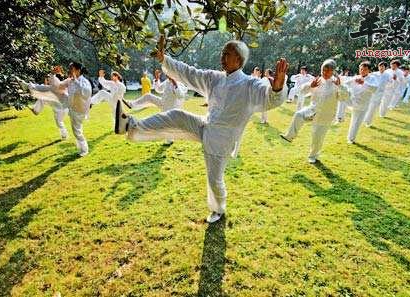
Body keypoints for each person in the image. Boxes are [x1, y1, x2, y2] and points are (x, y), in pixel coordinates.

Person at [114, 36, 288, 223]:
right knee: (176, 116)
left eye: (227, 54)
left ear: (239, 59)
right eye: (222, 53)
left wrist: (277, 88)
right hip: (206, 125)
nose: (222, 57)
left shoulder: (251, 84)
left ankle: (218, 210)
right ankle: (130, 125)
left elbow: (269, 97)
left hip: (223, 139)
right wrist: (165, 59)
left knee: (214, 179)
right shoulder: (215, 78)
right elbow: (189, 73)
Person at [280, 59, 350, 163]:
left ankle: (313, 156)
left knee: (317, 137)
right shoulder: (318, 80)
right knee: (299, 115)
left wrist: (340, 86)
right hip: (312, 110)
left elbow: (344, 98)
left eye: (327, 71)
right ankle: (289, 136)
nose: (325, 73)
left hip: (325, 115)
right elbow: (302, 91)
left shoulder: (337, 83)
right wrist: (310, 86)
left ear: (333, 71)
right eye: (323, 71)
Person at [123, 75, 188, 145]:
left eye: (169, 74)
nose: (167, 76)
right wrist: (157, 79)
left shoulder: (180, 83)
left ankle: (170, 140)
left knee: (168, 124)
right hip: (163, 102)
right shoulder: (167, 81)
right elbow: (159, 89)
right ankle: (131, 104)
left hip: (172, 108)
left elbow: (180, 95)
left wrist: (175, 83)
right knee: (148, 96)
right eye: (166, 74)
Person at [22, 66, 69, 139]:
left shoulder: (65, 84)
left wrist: (53, 74)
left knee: (59, 121)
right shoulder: (65, 84)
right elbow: (54, 84)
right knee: (44, 96)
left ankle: (29, 88)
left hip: (61, 106)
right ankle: (64, 135)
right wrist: (53, 74)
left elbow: (54, 83)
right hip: (60, 104)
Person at [60, 62, 92, 156]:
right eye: (69, 69)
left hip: (80, 110)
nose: (70, 70)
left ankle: (84, 150)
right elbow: (58, 86)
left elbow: (86, 93)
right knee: (77, 130)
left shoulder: (84, 82)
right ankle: (81, 148)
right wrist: (55, 75)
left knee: (77, 131)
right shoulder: (70, 81)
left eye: (72, 69)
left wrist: (76, 81)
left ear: (78, 70)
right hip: (72, 108)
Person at [343, 61, 379, 144]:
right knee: (354, 120)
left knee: (357, 122)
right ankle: (350, 138)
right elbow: (345, 84)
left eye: (365, 69)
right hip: (353, 102)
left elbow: (374, 89)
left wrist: (364, 83)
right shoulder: (355, 77)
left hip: (364, 104)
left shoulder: (372, 79)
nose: (362, 71)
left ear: (369, 70)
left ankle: (351, 138)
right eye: (361, 69)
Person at [363, 61, 393, 127]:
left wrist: (386, 88)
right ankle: (364, 118)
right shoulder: (374, 74)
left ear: (385, 67)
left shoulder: (388, 75)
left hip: (379, 94)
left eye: (383, 66)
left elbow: (391, 83)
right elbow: (366, 78)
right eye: (380, 66)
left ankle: (368, 121)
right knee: (368, 106)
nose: (381, 68)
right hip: (371, 92)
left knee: (373, 108)